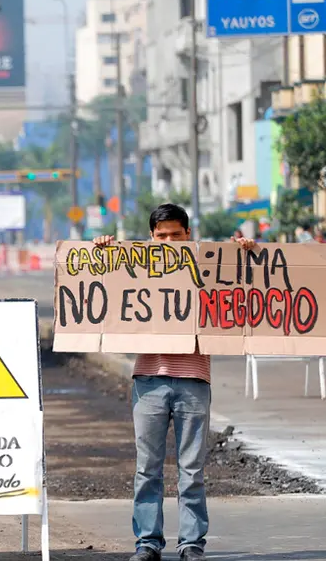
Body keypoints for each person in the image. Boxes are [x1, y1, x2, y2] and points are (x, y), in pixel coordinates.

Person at [93, 204, 254, 561]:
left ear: (188, 235)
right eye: (161, 236)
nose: (168, 242)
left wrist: (245, 254)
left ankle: (191, 543)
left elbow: (243, 283)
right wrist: (101, 251)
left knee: (192, 470)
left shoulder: (208, 267)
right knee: (146, 468)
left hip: (194, 379)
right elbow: (104, 284)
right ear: (151, 237)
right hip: (149, 379)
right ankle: (147, 543)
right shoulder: (135, 266)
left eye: (175, 235)